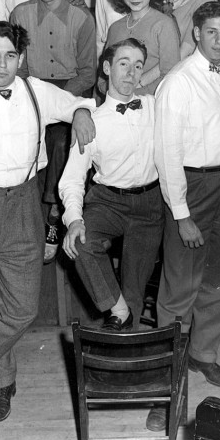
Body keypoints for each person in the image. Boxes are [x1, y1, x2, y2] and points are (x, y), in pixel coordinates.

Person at [0, 22, 96, 424]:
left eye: (10, 56)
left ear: (21, 59)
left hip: (24, 201)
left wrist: (78, 113)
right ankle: (2, 384)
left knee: (21, 305)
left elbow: (81, 103)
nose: (2, 64)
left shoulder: (36, 91)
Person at [154, 1, 220, 388]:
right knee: (181, 284)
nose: (219, 40)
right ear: (196, 32)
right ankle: (168, 365)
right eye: (212, 32)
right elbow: (166, 153)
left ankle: (203, 355)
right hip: (193, 186)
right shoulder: (177, 82)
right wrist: (182, 213)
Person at [59, 38, 162, 333]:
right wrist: (75, 220)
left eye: (138, 65)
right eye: (123, 63)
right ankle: (118, 310)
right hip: (107, 202)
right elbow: (72, 179)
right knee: (81, 243)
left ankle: (125, 363)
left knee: (135, 290)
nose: (131, 72)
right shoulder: (91, 121)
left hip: (149, 203)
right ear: (107, 68)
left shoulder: (155, 107)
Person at [10, 0, 97, 260]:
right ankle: (23, 220)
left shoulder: (80, 17)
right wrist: (29, 97)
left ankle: (52, 216)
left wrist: (59, 100)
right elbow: (17, 67)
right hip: (31, 89)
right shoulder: (20, 13)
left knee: (60, 139)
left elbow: (88, 73)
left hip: (70, 88)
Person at [105, 0, 180, 95]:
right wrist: (107, 89)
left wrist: (134, 96)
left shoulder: (164, 24)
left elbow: (170, 74)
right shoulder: (115, 28)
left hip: (150, 101)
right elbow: (105, 71)